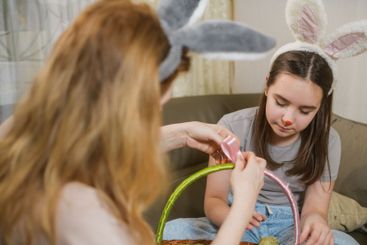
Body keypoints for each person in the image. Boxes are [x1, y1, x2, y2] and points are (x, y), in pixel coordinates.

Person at [0, 0, 274, 244]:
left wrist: (182, 134)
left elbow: (84, 147)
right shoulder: (81, 212)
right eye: (154, 108)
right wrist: (243, 203)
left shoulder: (18, 133)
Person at [163, 0, 367, 244]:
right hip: (235, 214)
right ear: (267, 84)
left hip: (291, 223)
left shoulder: (328, 140)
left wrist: (316, 222)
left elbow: (315, 209)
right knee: (172, 231)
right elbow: (214, 201)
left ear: (321, 106)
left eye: (305, 110)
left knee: (346, 242)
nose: (288, 119)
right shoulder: (231, 126)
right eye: (281, 102)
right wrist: (236, 216)